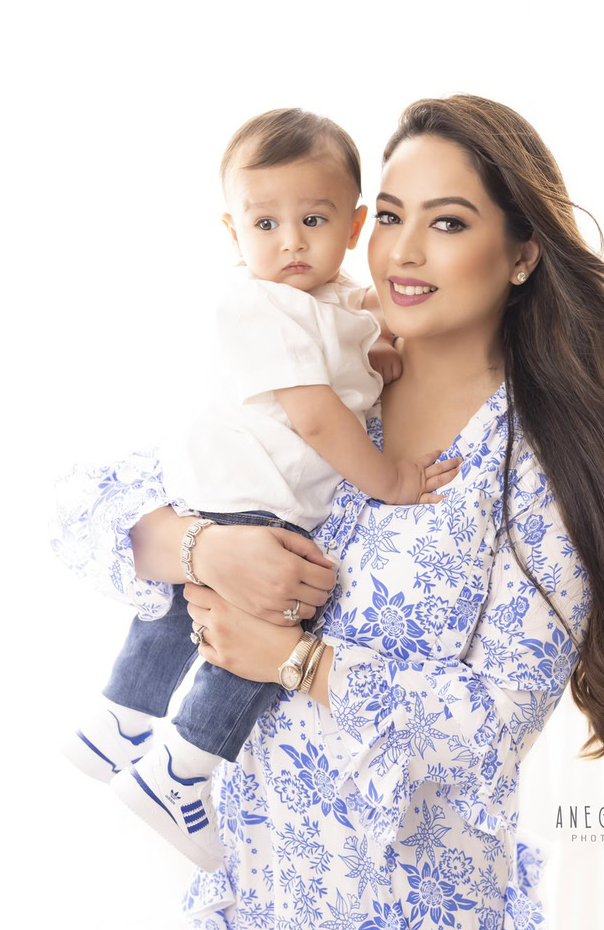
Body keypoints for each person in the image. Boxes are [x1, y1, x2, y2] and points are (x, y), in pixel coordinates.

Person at [51, 93, 604, 930]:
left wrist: (294, 657)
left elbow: (483, 728)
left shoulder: (536, 474)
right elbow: (78, 508)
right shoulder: (324, 386)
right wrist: (201, 547)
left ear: (519, 253)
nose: (402, 250)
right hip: (261, 918)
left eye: (449, 220)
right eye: (388, 212)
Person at [60, 107, 459, 872]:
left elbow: (359, 360)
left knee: (184, 605)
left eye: (312, 219)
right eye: (265, 221)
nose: (290, 242)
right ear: (231, 230)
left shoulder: (332, 300)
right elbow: (315, 415)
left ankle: (118, 722)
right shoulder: (259, 301)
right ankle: (182, 766)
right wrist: (393, 479)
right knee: (281, 603)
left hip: (232, 496)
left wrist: (385, 355)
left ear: (351, 224)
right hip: (251, 497)